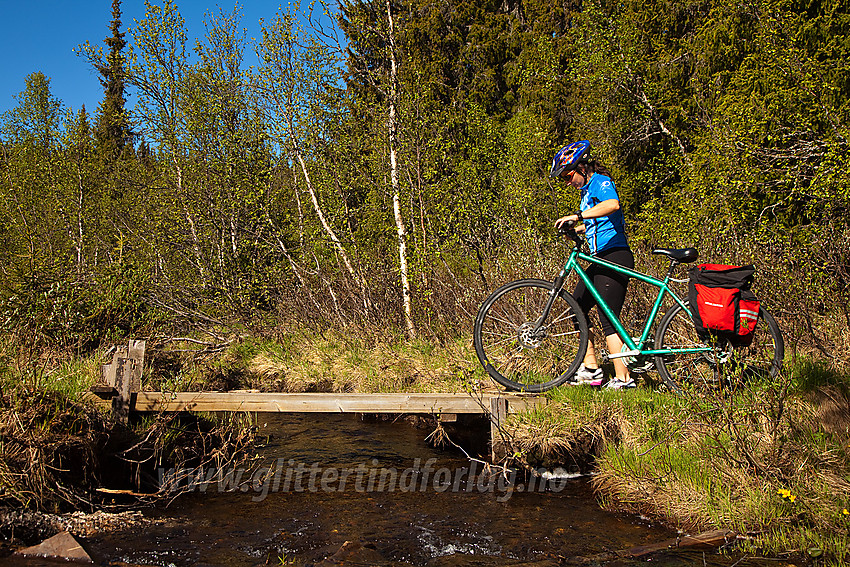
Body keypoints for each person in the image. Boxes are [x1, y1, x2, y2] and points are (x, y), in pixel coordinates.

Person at [549, 140, 635, 389]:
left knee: (608, 317)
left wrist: (578, 216)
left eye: (568, 176)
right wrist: (575, 228)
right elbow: (598, 221)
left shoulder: (601, 182)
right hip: (599, 257)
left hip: (615, 255)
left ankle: (624, 379)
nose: (568, 182)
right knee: (576, 307)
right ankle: (591, 369)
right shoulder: (587, 193)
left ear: (582, 167)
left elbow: (612, 205)